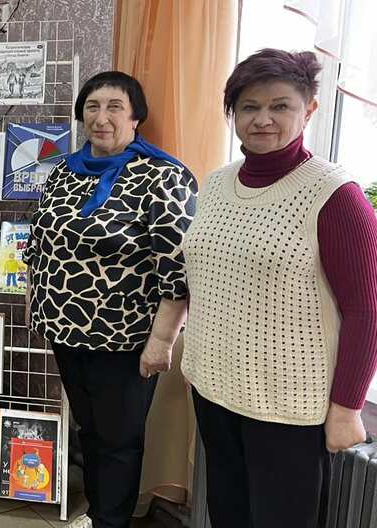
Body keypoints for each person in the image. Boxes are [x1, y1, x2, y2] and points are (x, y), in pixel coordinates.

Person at [181, 49, 377, 528]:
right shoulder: (216, 184)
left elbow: (367, 310)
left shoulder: (335, 195)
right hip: (214, 389)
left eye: (280, 106)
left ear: (309, 110)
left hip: (288, 406)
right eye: (249, 106)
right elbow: (206, 276)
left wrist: (347, 408)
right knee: (226, 512)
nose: (262, 119)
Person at [22, 71, 197, 528]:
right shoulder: (64, 170)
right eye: (92, 107)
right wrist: (35, 302)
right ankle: (99, 514)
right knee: (91, 432)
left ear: (136, 116)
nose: (101, 118)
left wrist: (162, 341)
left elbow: (177, 268)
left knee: (119, 440)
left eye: (115, 107)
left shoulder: (164, 176)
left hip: (125, 339)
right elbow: (40, 244)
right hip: (65, 330)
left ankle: (111, 521)